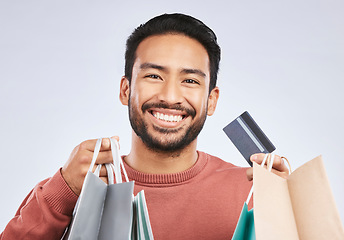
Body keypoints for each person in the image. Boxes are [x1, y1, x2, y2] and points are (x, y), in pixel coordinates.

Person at [0, 13, 289, 239]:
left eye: (190, 81)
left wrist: (291, 213)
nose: (170, 96)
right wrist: (61, 191)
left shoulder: (251, 191)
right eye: (153, 76)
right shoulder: (76, 186)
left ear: (211, 101)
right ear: (125, 90)